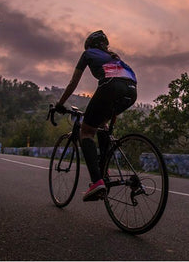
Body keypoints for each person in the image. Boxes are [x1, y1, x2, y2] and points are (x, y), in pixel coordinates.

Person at [55, 30, 137, 201]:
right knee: (102, 125)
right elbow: (121, 82)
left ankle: (96, 181)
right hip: (132, 90)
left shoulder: (87, 53)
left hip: (111, 87)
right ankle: (104, 167)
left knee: (86, 131)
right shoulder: (115, 58)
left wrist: (60, 104)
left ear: (90, 45)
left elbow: (73, 83)